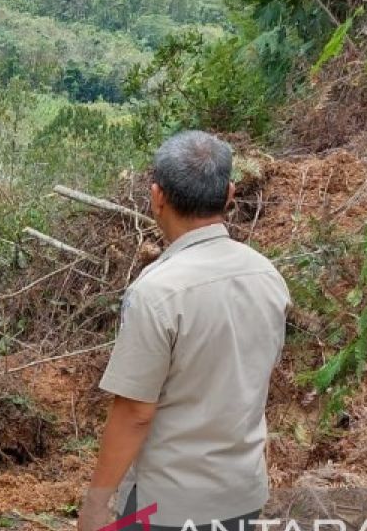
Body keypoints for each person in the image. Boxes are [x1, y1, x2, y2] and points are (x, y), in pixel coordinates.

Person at [77, 131, 291, 531]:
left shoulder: (157, 292)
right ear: (229, 193)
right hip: (243, 494)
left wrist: (95, 505)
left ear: (157, 196)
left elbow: (136, 413)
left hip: (169, 505)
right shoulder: (268, 276)